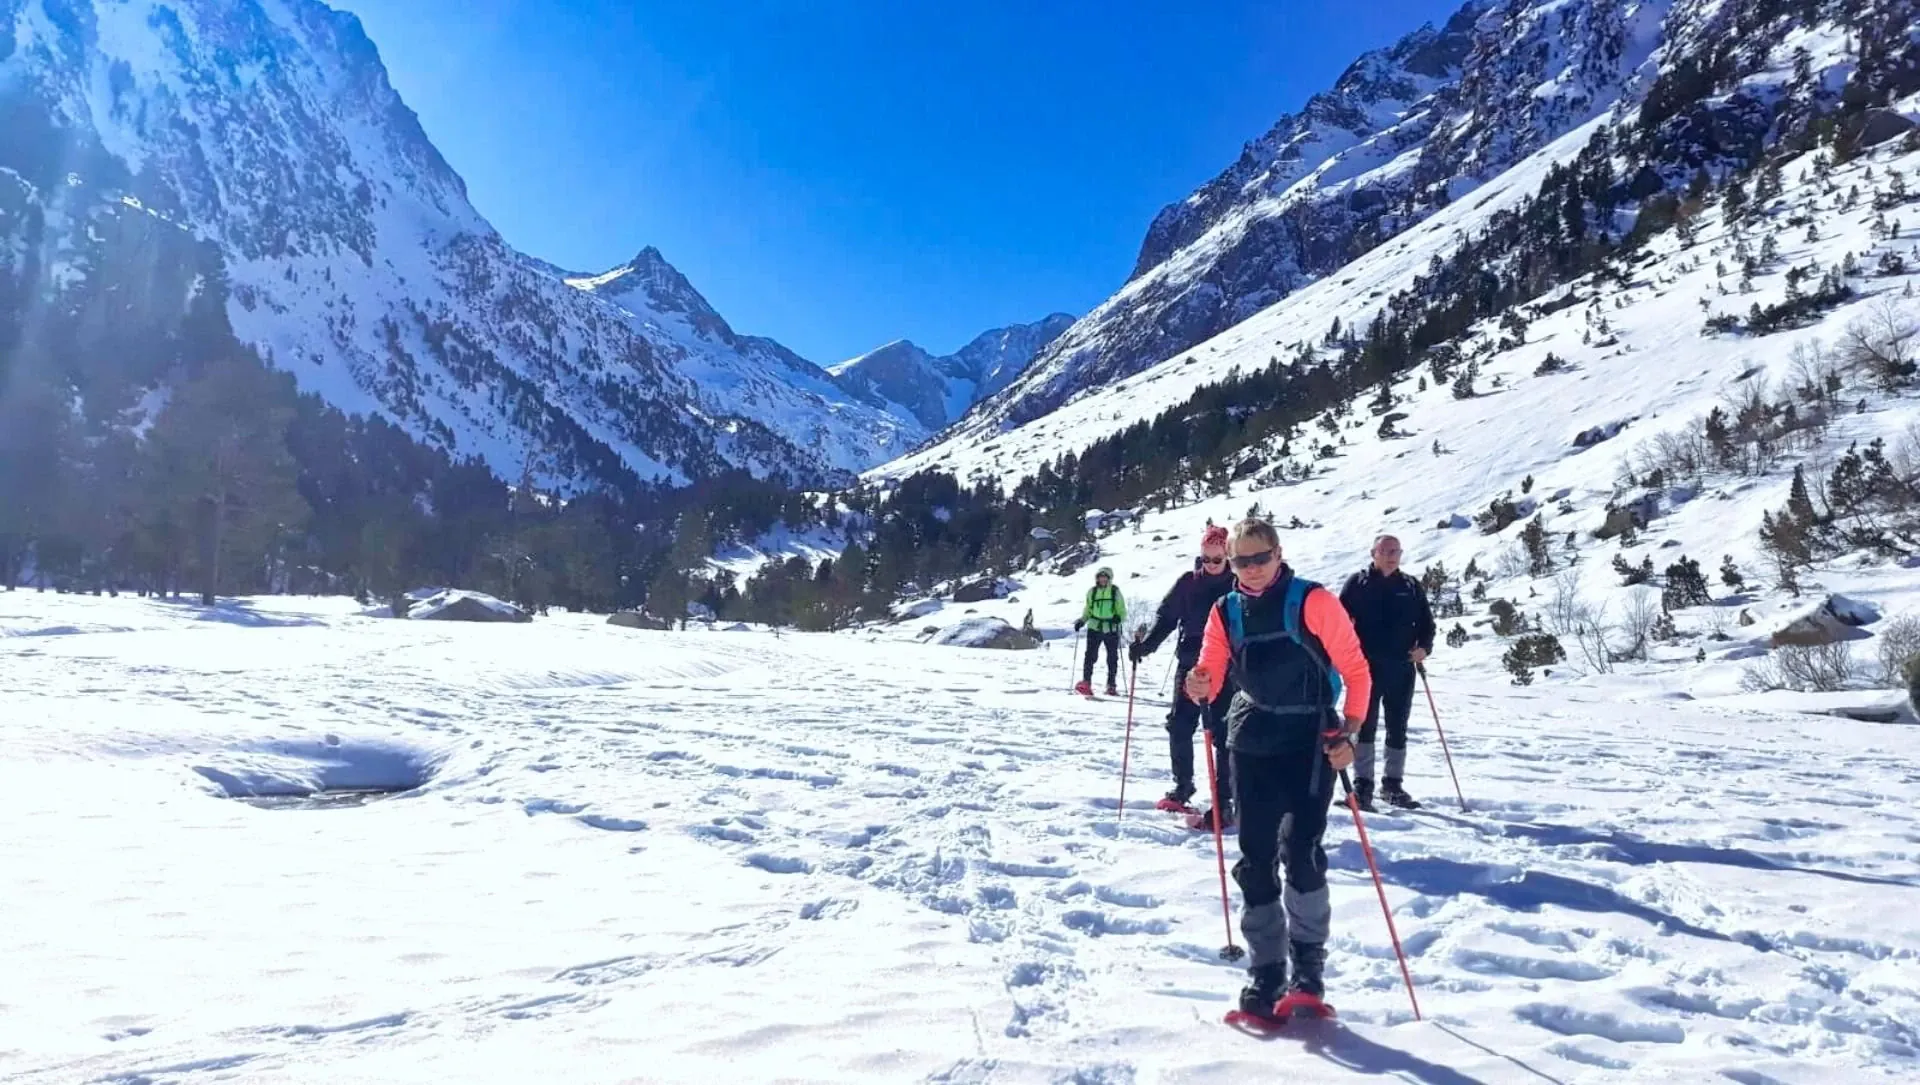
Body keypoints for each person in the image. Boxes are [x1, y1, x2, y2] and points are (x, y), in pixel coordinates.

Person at [1185, 518, 1371, 1018]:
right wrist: (1199, 683)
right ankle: (1266, 975)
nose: (1250, 570)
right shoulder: (1225, 611)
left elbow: (1356, 671)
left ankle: (1308, 969)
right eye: (1241, 561)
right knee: (1256, 856)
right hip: (1250, 739)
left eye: (1259, 558)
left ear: (1278, 552)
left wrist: (1350, 733)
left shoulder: (1314, 601)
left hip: (1311, 739)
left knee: (1303, 852)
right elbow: (1212, 668)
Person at [1131, 525, 1237, 823]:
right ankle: (1183, 786)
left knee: (1224, 733)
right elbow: (1166, 619)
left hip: (1228, 668)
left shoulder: (1239, 584)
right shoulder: (1188, 583)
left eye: (1217, 560)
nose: (1211, 565)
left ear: (1228, 556)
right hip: (1191, 663)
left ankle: (1225, 798)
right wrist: (1147, 646)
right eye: (1206, 559)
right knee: (1179, 726)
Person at [1338, 535, 1436, 811]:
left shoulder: (1410, 586)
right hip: (1365, 669)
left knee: (1397, 728)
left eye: (1396, 551)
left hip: (1402, 668)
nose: (1392, 556)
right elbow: (1339, 622)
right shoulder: (1357, 584)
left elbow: (1427, 625)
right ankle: (1362, 787)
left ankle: (1392, 785)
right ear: (1373, 553)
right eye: (1386, 551)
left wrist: (1424, 648)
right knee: (1364, 726)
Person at [1072, 567, 1126, 696]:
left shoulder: (1115, 591)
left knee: (1112, 658)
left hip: (1111, 628)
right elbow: (1088, 610)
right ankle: (1086, 683)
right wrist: (1082, 621)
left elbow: (1122, 610)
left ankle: (1111, 685)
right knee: (1090, 656)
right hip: (1094, 627)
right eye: (1100, 577)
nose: (1102, 579)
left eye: (1105, 577)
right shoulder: (1092, 592)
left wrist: (1119, 618)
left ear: (1109, 578)